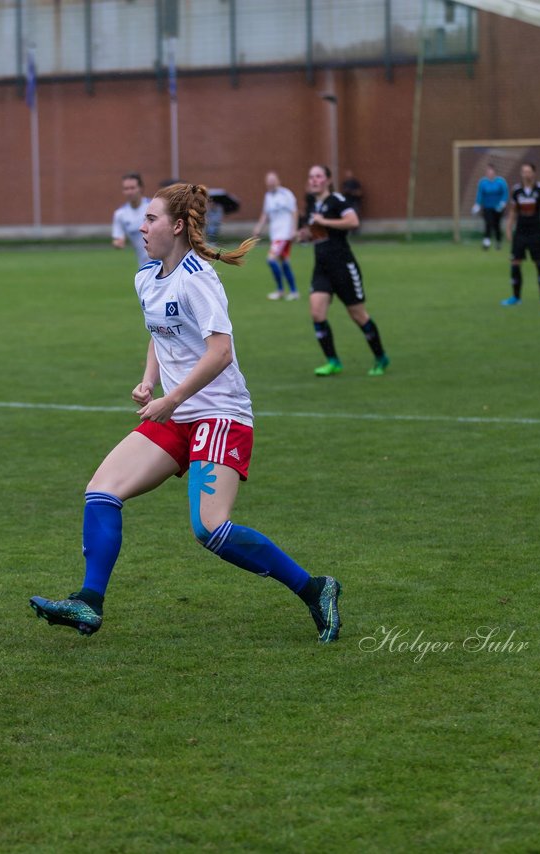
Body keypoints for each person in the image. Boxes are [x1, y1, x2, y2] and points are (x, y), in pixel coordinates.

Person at [29, 183, 341, 644]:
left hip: (219, 413)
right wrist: (149, 381)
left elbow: (220, 352)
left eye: (151, 219)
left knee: (210, 529)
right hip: (175, 413)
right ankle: (88, 602)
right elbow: (161, 333)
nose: (142, 225)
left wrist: (171, 400)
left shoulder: (198, 277)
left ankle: (316, 588)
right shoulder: (145, 277)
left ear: (176, 226)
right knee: (101, 491)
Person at [301, 165, 390, 377]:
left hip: (343, 266)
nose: (314, 180)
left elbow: (353, 221)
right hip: (322, 268)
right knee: (316, 313)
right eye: (311, 176)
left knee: (358, 315)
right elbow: (321, 233)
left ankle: (380, 357)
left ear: (328, 180)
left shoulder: (337, 200)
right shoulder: (313, 203)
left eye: (318, 176)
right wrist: (306, 234)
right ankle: (333, 361)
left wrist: (324, 221)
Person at [503, 163, 540, 306]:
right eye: (524, 172)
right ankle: (515, 297)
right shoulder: (516, 191)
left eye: (529, 171)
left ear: (534, 173)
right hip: (520, 232)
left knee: (539, 262)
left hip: (536, 232)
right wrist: (508, 228)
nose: (526, 174)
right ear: (521, 173)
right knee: (515, 262)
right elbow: (513, 211)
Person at [251, 171, 300, 301]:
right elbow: (265, 214)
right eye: (268, 181)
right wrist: (258, 228)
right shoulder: (268, 196)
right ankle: (294, 292)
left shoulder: (286, 194)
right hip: (275, 234)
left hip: (284, 234)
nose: (271, 183)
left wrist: (294, 230)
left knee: (271, 259)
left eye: (273, 180)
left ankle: (280, 290)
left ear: (278, 181)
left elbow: (294, 211)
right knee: (284, 262)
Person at [111, 173, 150, 266]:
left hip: (164, 261)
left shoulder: (152, 206)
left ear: (141, 188)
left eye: (132, 188)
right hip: (144, 265)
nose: (129, 192)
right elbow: (118, 238)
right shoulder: (120, 214)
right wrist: (117, 243)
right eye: (126, 189)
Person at [473, 163, 508, 251]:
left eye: (491, 171)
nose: (489, 173)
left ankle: (498, 241)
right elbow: (480, 194)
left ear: (494, 172)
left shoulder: (501, 181)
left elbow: (505, 193)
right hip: (487, 207)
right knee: (488, 223)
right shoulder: (483, 182)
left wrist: (503, 203)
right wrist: (477, 204)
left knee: (497, 225)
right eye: (487, 171)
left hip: (498, 208)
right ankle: (486, 242)